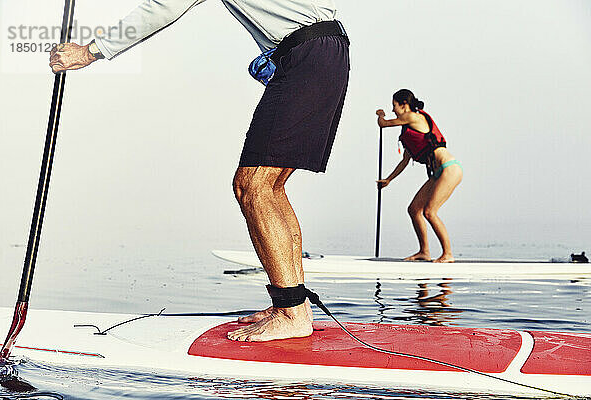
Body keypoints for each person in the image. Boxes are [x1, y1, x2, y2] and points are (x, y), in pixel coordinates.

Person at [48, 0, 350, 341]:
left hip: (308, 55)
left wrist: (90, 52)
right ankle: (294, 303)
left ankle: (291, 313)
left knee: (252, 186)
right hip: (318, 52)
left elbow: (161, 8)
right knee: (269, 185)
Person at [376, 89, 462, 263]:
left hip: (449, 169)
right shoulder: (409, 131)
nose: (393, 110)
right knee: (414, 209)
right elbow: (404, 161)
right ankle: (424, 251)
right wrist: (388, 180)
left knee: (430, 211)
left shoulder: (412, 116)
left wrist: (380, 115)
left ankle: (448, 254)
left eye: (394, 105)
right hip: (438, 173)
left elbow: (383, 124)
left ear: (404, 105)